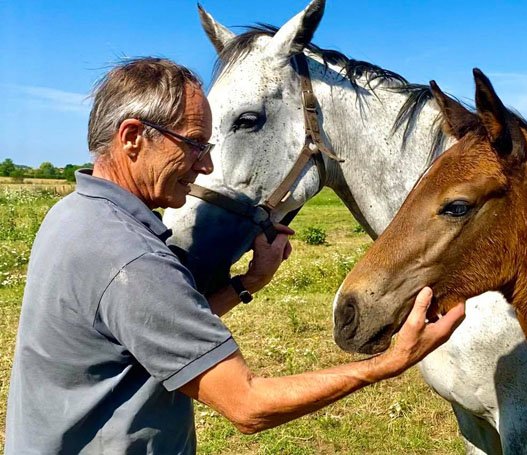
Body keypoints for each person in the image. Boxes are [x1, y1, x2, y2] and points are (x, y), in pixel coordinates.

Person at [4, 57, 465, 454]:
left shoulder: (75, 214)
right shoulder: (131, 258)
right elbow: (247, 405)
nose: (206, 165)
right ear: (132, 138)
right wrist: (389, 363)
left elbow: (145, 330)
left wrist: (247, 283)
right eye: (194, 145)